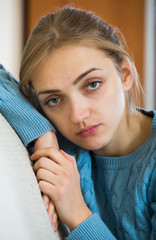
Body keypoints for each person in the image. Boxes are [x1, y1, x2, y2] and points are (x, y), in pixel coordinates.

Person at [1, 6, 156, 240]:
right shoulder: (61, 139)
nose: (77, 115)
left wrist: (76, 213)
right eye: (54, 99)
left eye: (92, 84)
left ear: (125, 74)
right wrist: (42, 134)